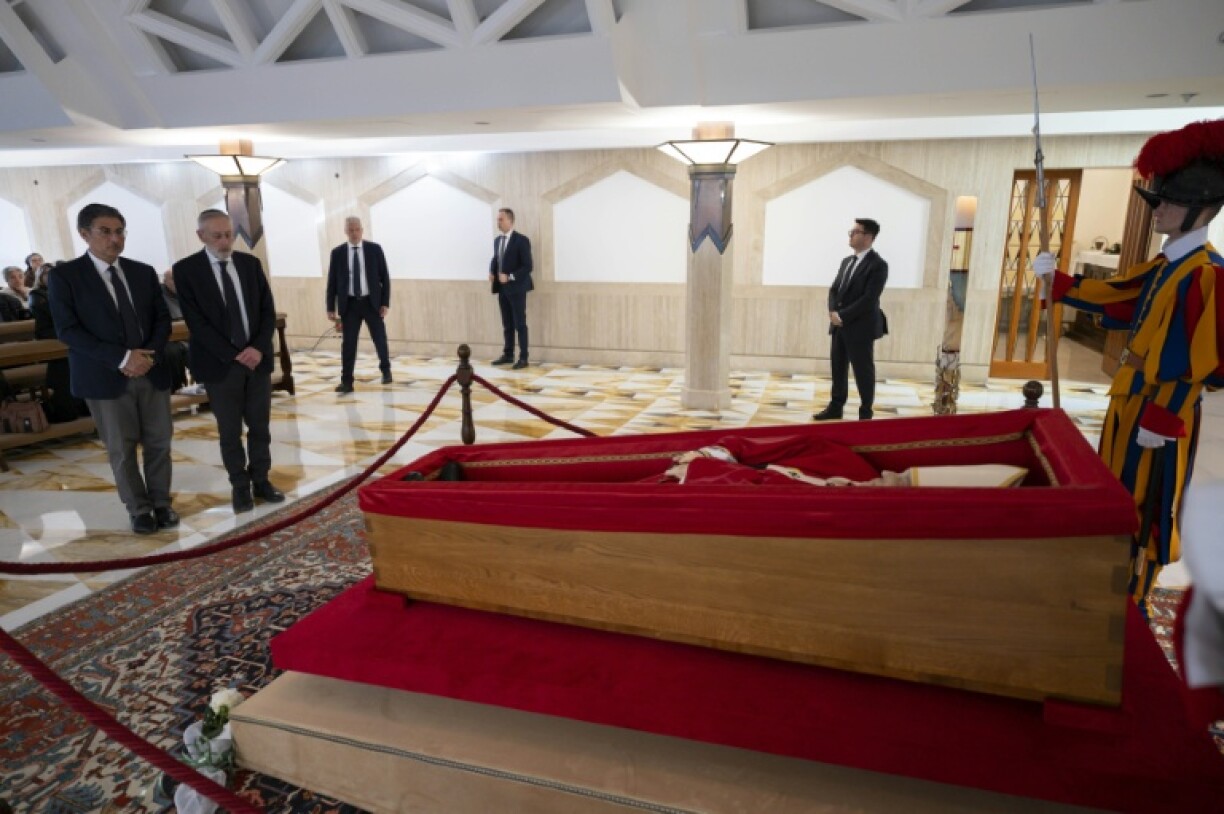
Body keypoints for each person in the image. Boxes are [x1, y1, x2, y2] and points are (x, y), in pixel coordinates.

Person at [1033, 118, 1224, 616]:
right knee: (1119, 489)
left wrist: (1164, 418)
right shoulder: (1168, 265)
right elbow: (1119, 296)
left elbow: (1198, 362)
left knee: (1149, 502)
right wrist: (1061, 283)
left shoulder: (1205, 273)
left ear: (1202, 208)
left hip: (1160, 411)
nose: (1157, 209)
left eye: (1168, 202)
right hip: (1131, 398)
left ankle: (1132, 599)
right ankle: (1109, 579)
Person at [48, 202, 177, 535]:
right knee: (121, 448)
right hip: (104, 375)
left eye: (119, 231)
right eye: (105, 232)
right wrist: (122, 358)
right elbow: (68, 330)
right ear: (84, 234)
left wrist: (146, 356)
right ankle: (139, 509)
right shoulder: (66, 276)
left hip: (150, 370)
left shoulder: (142, 272)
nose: (115, 239)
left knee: (159, 442)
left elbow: (162, 319)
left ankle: (162, 503)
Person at [173, 209, 284, 514]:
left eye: (228, 235)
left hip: (256, 361)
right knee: (230, 431)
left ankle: (261, 480)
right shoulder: (187, 270)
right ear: (201, 236)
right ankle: (240, 486)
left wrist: (257, 348)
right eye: (217, 236)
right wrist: (234, 353)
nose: (225, 242)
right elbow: (196, 322)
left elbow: (267, 310)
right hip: (220, 365)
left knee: (260, 427)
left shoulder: (249, 264)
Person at [813, 218, 888, 421]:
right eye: (851, 232)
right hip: (838, 326)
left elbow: (869, 299)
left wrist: (842, 315)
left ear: (868, 237)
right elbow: (834, 289)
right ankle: (836, 407)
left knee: (863, 370)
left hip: (860, 327)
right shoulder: (847, 262)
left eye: (855, 232)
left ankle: (865, 411)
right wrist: (832, 312)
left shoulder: (878, 265)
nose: (851, 235)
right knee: (838, 367)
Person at [325, 216, 391, 393]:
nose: (354, 233)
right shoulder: (337, 253)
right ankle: (346, 381)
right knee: (348, 344)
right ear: (346, 231)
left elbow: (385, 278)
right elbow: (332, 281)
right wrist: (330, 307)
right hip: (350, 305)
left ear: (362, 230)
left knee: (379, 339)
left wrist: (385, 303)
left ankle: (386, 370)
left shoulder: (374, 249)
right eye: (351, 230)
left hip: (371, 303)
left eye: (357, 230)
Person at [28, 263, 87, 423]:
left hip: (79, 344)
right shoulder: (38, 297)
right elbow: (42, 330)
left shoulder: (72, 293)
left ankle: (85, 407)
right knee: (64, 373)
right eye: (47, 273)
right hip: (58, 344)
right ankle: (68, 409)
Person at [488, 207, 534, 369]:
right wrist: (491, 271)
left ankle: (523, 357)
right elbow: (496, 259)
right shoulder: (497, 241)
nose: (498, 222)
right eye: (497, 219)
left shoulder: (521, 240)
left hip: (517, 288)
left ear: (510, 220)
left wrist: (510, 276)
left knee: (520, 324)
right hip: (502, 289)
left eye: (500, 219)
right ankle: (508, 354)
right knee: (507, 324)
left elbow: (528, 266)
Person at [160, 268, 191, 393]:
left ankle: (206, 393)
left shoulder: (189, 293)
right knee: (171, 353)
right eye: (173, 279)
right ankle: (176, 390)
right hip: (169, 340)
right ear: (165, 281)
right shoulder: (158, 295)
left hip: (189, 337)